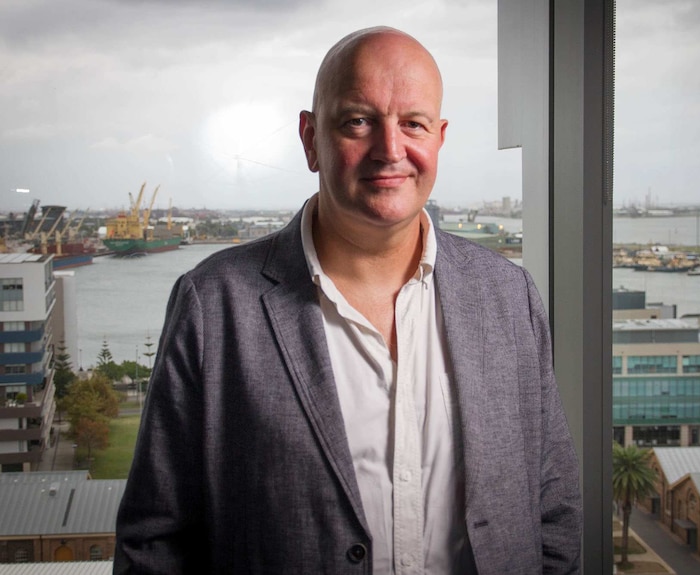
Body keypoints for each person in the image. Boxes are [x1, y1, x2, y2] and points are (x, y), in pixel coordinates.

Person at [114, 26, 582, 574]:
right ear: (310, 139)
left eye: (413, 123)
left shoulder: (509, 297)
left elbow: (554, 511)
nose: (390, 150)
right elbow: (156, 545)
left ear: (439, 137)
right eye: (358, 121)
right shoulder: (213, 305)